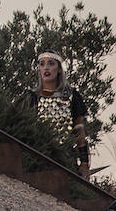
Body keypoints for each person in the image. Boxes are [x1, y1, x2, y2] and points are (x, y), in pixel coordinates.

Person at [27, 50, 92, 179]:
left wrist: (84, 163)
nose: (46, 68)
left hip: (66, 157)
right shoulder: (31, 97)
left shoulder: (72, 96)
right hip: (39, 156)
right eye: (42, 64)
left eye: (51, 64)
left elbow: (79, 130)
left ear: (59, 69)